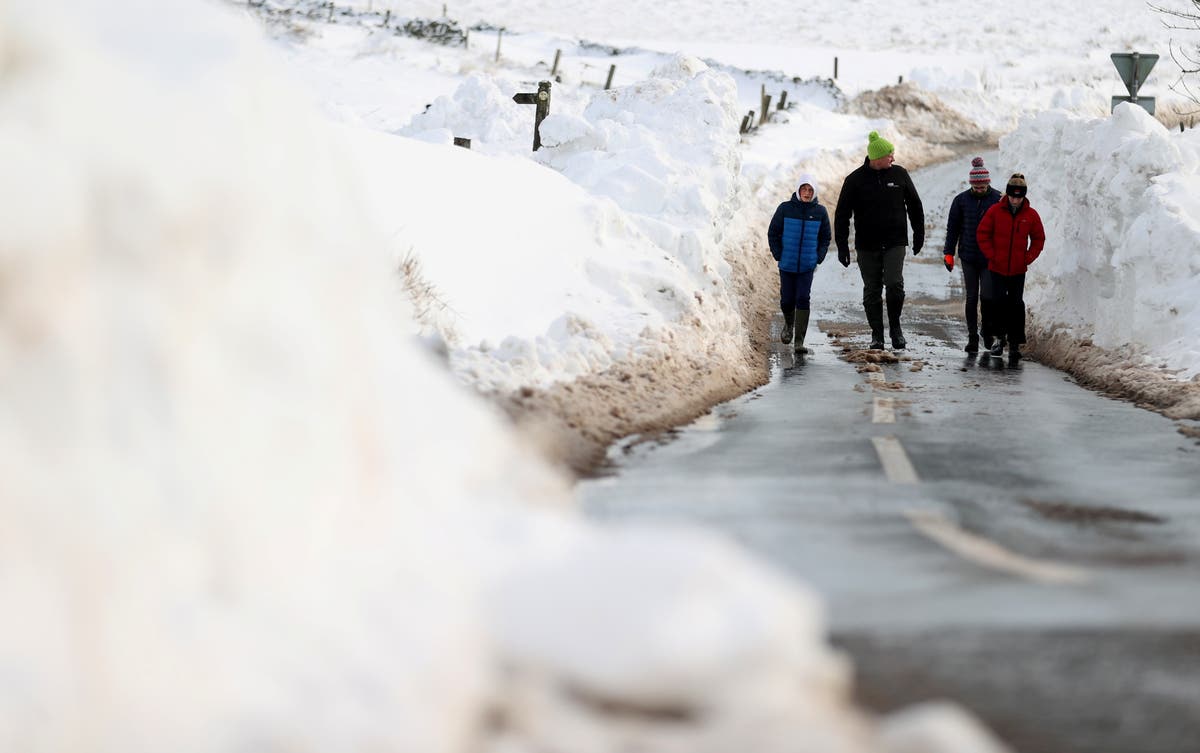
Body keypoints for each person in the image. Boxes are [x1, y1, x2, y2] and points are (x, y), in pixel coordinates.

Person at [834, 130, 925, 350]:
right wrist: (842, 245)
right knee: (872, 290)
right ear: (876, 158)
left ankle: (895, 328)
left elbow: (915, 205)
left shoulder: (900, 174)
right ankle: (877, 334)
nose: (893, 158)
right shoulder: (854, 180)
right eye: (889, 155)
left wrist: (918, 233)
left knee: (894, 284)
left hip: (895, 241)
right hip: (867, 245)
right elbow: (842, 214)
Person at [976, 173, 1046, 365]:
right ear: (1007, 195)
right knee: (997, 303)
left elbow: (1039, 238)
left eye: (1019, 197)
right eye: (1013, 196)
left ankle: (1015, 343)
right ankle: (999, 339)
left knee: (1016, 305)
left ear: (1023, 196)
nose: (1015, 200)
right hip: (997, 268)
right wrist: (992, 255)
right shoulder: (995, 211)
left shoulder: (1030, 215)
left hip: (1017, 269)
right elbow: (982, 233)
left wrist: (1028, 257)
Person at [943, 156, 1002, 354]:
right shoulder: (960, 201)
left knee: (987, 296)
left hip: (988, 258)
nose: (979, 190)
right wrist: (948, 253)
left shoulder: (997, 199)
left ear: (988, 183)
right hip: (968, 256)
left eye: (982, 186)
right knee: (971, 297)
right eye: (976, 187)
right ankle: (972, 338)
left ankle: (987, 331)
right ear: (971, 185)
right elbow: (953, 229)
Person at [767, 173, 831, 354]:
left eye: (810, 190)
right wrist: (779, 254)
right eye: (804, 189)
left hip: (807, 266)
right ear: (798, 189)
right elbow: (773, 232)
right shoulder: (785, 209)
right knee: (787, 299)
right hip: (787, 264)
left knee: (803, 298)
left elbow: (825, 237)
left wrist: (818, 257)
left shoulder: (820, 212)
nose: (807, 193)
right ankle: (788, 324)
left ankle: (799, 341)